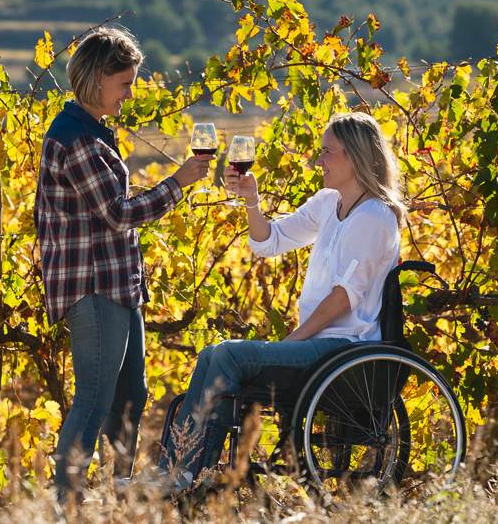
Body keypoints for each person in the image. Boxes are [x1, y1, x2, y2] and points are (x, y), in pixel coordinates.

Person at [151, 111, 407, 493]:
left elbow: (343, 300)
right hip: (321, 348)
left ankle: (183, 476)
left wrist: (293, 341)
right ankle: (176, 473)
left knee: (228, 356)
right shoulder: (329, 202)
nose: (317, 161)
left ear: (354, 157)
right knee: (211, 355)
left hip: (342, 351)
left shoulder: (374, 216)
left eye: (327, 153)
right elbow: (268, 242)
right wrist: (252, 200)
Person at [34, 27, 213, 499]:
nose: (130, 93)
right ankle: (66, 504)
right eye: (125, 82)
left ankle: (120, 491)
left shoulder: (92, 132)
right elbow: (116, 213)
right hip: (93, 289)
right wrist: (178, 182)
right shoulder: (76, 140)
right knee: (94, 401)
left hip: (118, 286)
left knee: (131, 399)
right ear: (97, 78)